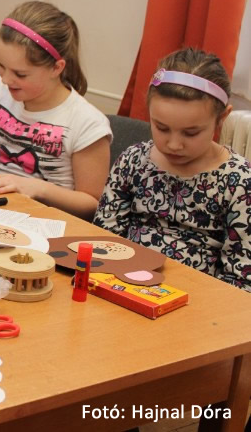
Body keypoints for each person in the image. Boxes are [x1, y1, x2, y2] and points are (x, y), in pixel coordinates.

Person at [0, 1, 111, 219]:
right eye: (1, 66)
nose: (6, 79)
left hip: (50, 226)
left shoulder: (86, 122)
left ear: (57, 68)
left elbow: (93, 204)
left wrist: (38, 188)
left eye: (20, 74)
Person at [94, 48, 250, 292]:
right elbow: (104, 240)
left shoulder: (240, 182)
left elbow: (241, 280)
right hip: (121, 285)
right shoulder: (133, 161)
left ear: (222, 118)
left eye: (191, 133)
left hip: (198, 301)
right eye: (162, 128)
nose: (174, 144)